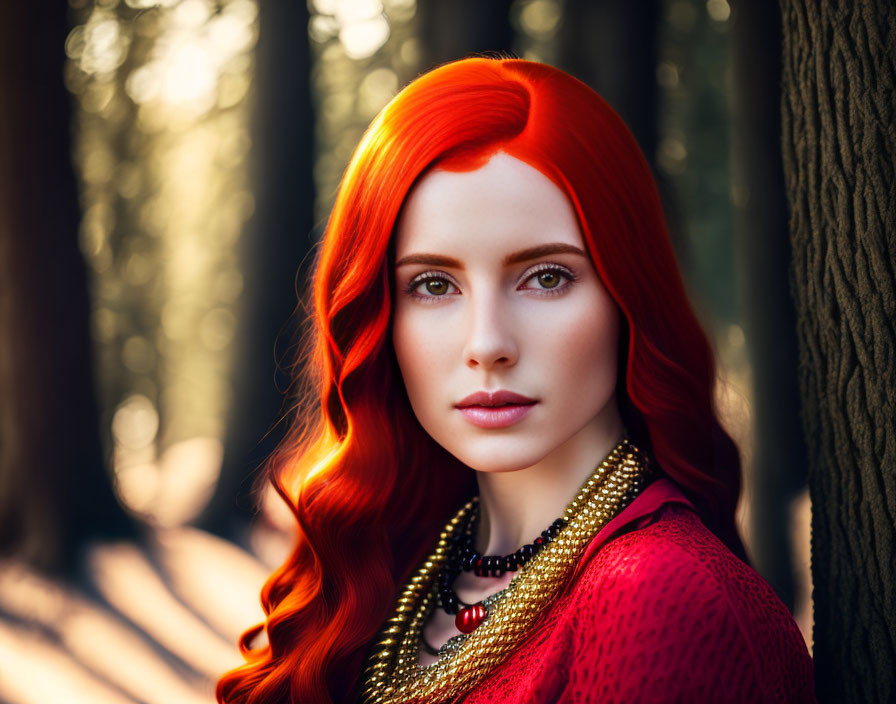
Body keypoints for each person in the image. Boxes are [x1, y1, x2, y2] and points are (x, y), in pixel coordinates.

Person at [216, 57, 815, 703]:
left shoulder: (653, 595)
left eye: (547, 276)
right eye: (433, 285)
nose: (487, 345)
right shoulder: (399, 572)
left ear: (628, 293)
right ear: (378, 320)